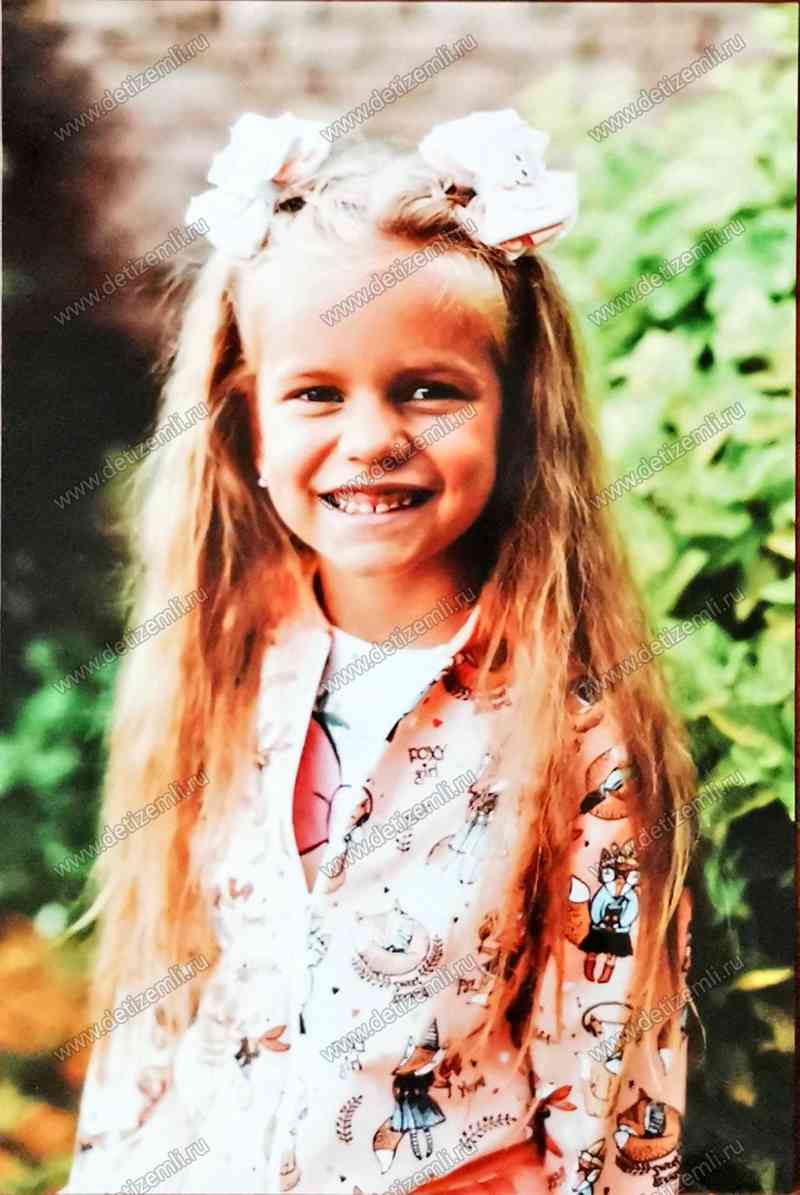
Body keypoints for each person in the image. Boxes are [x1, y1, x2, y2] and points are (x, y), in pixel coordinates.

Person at [60, 109, 697, 1195]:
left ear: (515, 415)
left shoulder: (574, 725)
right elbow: (159, 1015)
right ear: (247, 425)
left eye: (428, 389)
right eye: (316, 392)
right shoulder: (217, 669)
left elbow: (608, 1071)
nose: (371, 439)